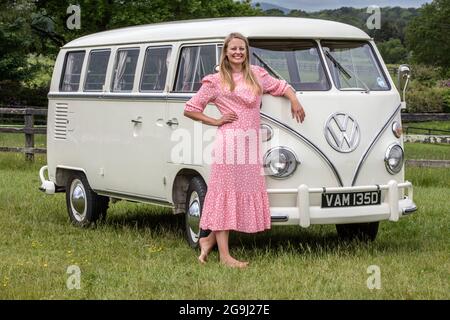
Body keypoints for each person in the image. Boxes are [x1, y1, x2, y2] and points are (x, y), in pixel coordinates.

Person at [184, 32, 305, 268]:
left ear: (247, 52)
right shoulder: (216, 81)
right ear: (226, 53)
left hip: (250, 144)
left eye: (242, 49)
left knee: (238, 193)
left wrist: (294, 100)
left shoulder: (257, 75)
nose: (238, 53)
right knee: (225, 195)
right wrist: (216, 121)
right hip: (229, 144)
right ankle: (226, 257)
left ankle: (208, 241)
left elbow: (281, 86)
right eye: (233, 49)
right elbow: (191, 108)